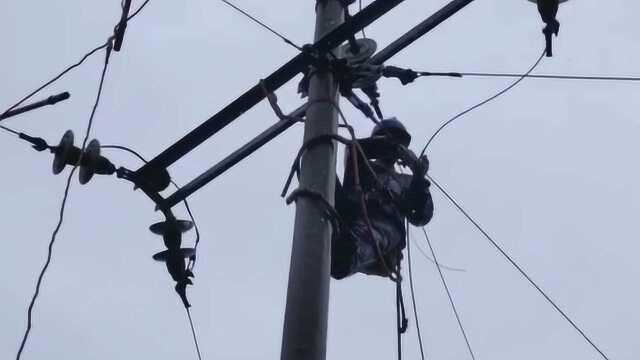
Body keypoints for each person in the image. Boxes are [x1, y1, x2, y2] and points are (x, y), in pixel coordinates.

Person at [332, 118, 434, 279]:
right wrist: (391, 147)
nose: (393, 143)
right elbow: (354, 149)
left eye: (397, 140)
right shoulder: (363, 166)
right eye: (386, 138)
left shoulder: (406, 181)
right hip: (352, 215)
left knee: (345, 258)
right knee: (324, 175)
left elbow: (421, 216)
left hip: (385, 226)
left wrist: (419, 179)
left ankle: (345, 255)